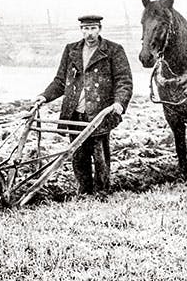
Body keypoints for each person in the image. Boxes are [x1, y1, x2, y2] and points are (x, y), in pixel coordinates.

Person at [32, 15, 133, 194]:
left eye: (93, 28)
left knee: (100, 154)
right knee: (78, 155)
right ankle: (84, 192)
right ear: (81, 30)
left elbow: (123, 81)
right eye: (85, 29)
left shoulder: (113, 50)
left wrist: (119, 103)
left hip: (99, 112)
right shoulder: (71, 50)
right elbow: (60, 81)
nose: (89, 33)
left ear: (100, 29)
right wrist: (44, 97)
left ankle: (102, 192)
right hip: (75, 112)